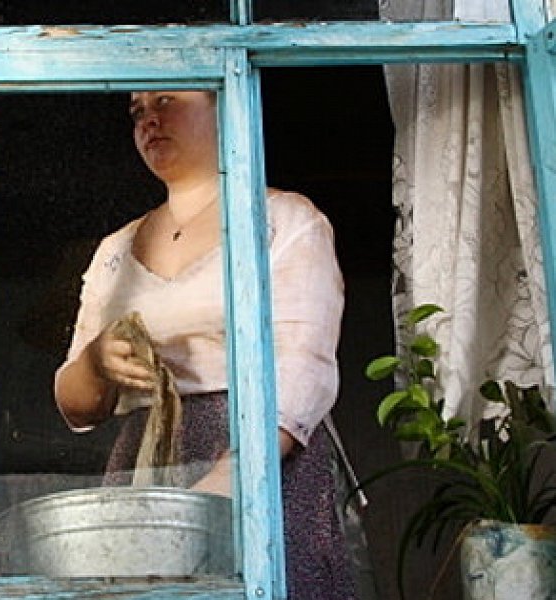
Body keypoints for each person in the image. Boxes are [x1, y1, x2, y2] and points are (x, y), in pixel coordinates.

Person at [53, 90, 355, 599]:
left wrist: (227, 481)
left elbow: (303, 369)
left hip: (260, 455)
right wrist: (97, 361)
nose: (149, 119)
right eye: (137, 111)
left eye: (166, 101)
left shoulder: (284, 219)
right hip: (148, 461)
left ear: (222, 103)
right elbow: (75, 406)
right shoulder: (114, 252)